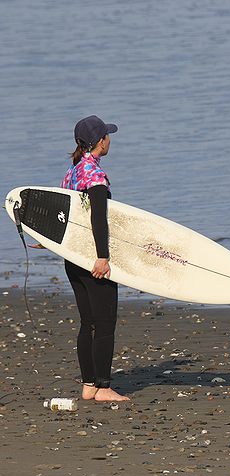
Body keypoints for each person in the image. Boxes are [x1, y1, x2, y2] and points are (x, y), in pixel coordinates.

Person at [61, 115, 129, 402]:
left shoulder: (73, 172)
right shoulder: (95, 176)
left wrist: (49, 241)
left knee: (87, 322)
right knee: (104, 323)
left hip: (72, 257)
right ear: (100, 141)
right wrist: (103, 257)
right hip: (92, 258)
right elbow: (97, 218)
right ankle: (103, 387)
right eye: (107, 135)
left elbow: (63, 213)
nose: (110, 139)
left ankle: (89, 384)